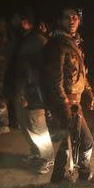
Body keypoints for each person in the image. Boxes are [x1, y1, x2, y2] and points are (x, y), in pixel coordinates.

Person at [42, 7, 94, 187]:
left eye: (75, 17)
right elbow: (55, 82)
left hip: (74, 101)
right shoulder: (57, 45)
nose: (72, 20)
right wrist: (65, 108)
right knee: (86, 140)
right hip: (66, 103)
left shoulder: (73, 43)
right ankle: (85, 175)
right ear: (60, 21)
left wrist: (90, 94)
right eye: (67, 17)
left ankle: (57, 177)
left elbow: (81, 75)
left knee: (67, 138)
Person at [13, 11, 54, 174]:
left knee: (38, 126)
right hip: (24, 90)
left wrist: (26, 93)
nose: (12, 22)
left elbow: (33, 71)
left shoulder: (36, 40)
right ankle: (37, 152)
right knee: (26, 124)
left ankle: (48, 157)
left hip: (33, 92)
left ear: (25, 21)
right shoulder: (24, 39)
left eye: (14, 19)